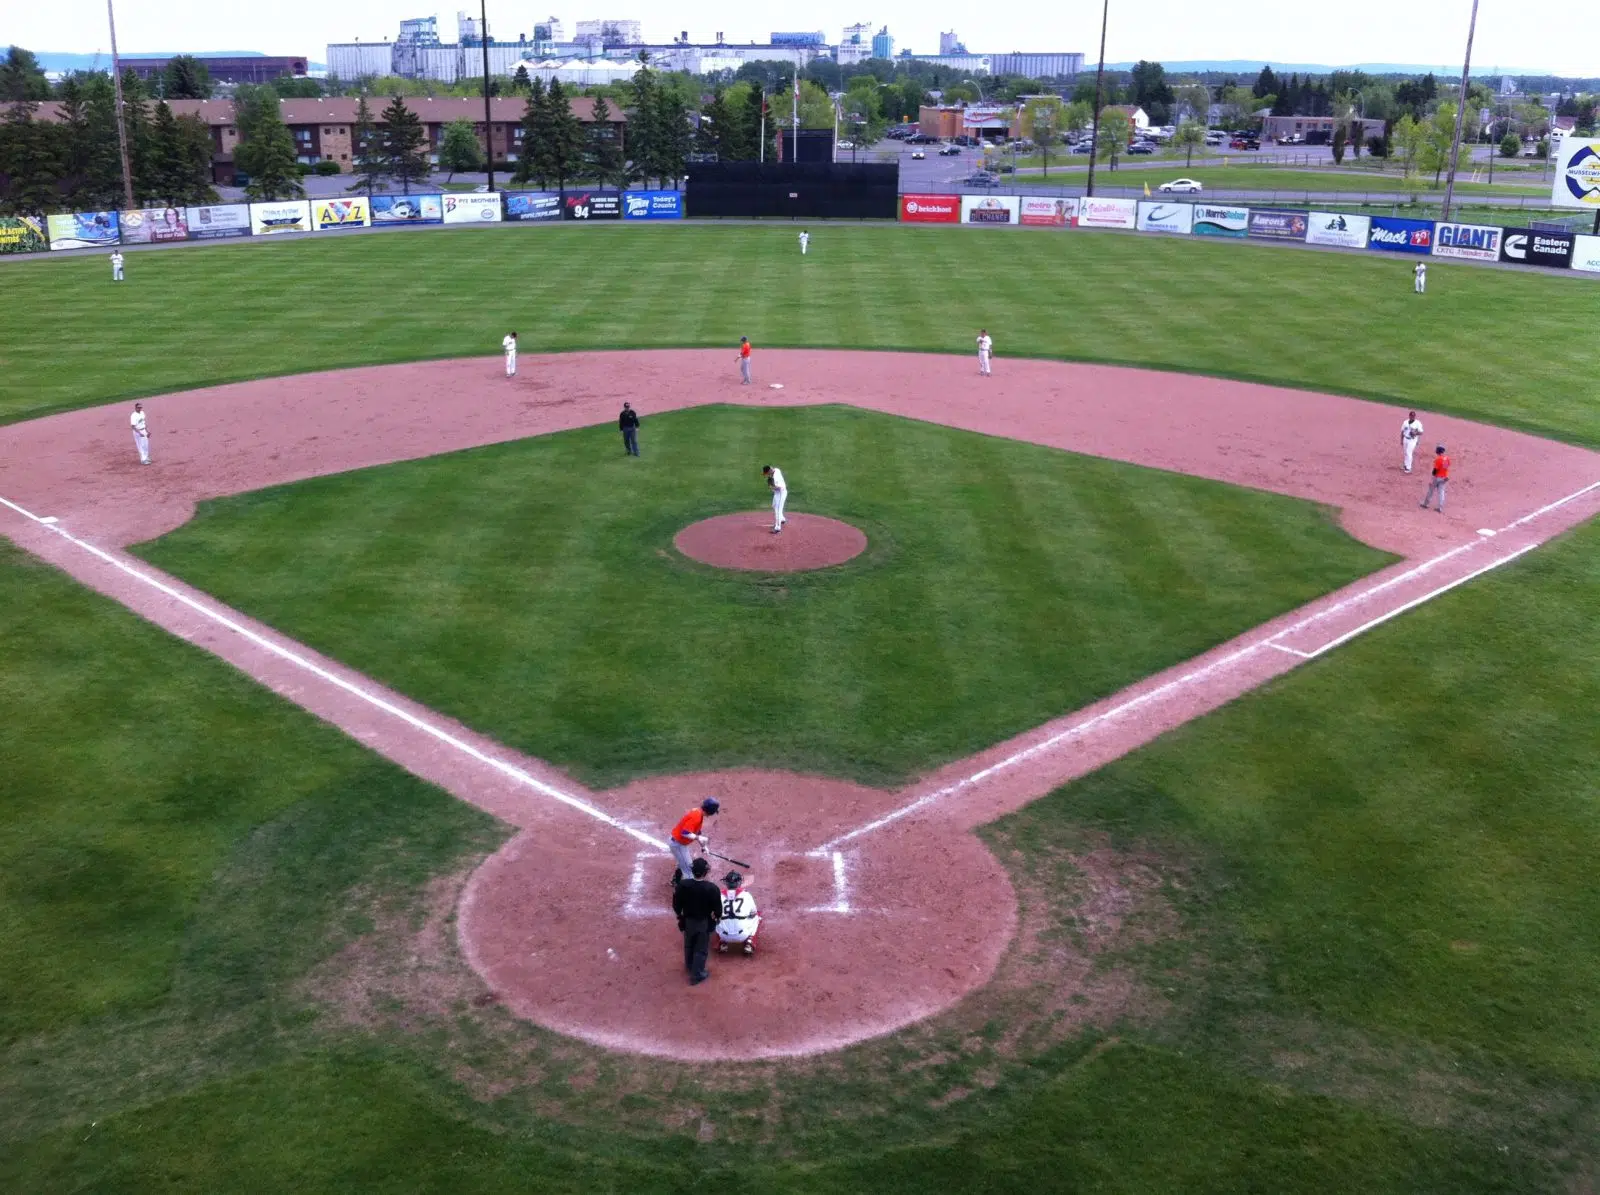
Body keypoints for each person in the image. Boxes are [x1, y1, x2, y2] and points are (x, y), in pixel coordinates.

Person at [673, 858, 722, 985]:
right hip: (703, 923)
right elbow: (717, 909)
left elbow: (676, 904)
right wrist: (717, 917)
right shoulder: (712, 888)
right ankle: (697, 975)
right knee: (700, 949)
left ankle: (689, 965)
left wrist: (679, 915)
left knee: (689, 944)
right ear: (705, 872)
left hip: (688, 922)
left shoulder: (683, 885)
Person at [669, 797, 719, 886]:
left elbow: (697, 832)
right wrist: (698, 838)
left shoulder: (699, 813)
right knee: (689, 872)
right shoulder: (696, 816)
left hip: (679, 843)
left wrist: (704, 847)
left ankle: (676, 880)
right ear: (710, 811)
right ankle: (687, 894)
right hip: (678, 844)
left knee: (684, 862)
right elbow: (684, 832)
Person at [715, 870, 761, 956]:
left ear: (726, 883)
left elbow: (713, 914)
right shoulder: (746, 895)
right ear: (739, 882)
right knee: (757, 916)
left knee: (716, 918)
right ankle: (749, 943)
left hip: (724, 935)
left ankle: (722, 943)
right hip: (742, 935)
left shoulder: (718, 895)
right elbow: (753, 913)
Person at [1420, 443, 1450, 512]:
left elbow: (1435, 471)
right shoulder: (1447, 459)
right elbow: (1446, 468)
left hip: (1437, 478)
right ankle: (1440, 507)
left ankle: (1425, 504)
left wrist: (1432, 479)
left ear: (1437, 451)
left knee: (1430, 491)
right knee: (1441, 492)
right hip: (1444, 477)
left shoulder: (1438, 459)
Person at [763, 464, 787, 534]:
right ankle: (782, 519)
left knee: (778, 510)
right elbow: (772, 473)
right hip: (777, 494)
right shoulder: (776, 470)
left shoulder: (776, 477)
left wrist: (771, 487)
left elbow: (779, 488)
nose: (767, 475)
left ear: (770, 470)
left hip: (781, 493)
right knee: (774, 505)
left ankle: (777, 528)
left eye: (767, 473)